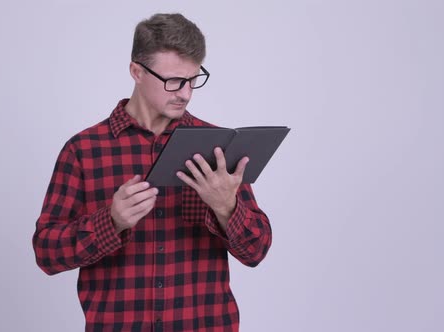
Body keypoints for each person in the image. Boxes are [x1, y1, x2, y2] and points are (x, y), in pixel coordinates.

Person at [32, 13, 272, 332]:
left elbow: (256, 250)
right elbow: (46, 253)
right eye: (173, 81)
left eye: (192, 79)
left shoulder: (219, 147)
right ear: (136, 72)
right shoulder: (84, 150)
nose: (185, 93)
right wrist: (111, 221)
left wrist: (227, 207)